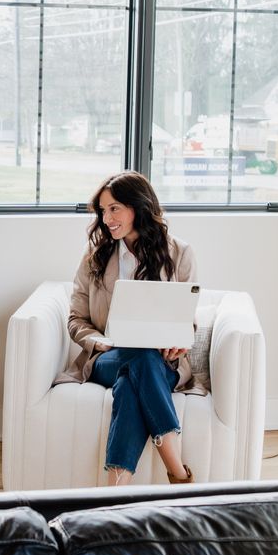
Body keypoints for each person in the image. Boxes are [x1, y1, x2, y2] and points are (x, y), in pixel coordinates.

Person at [58, 171, 199, 486]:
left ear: (139, 207)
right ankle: (178, 475)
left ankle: (114, 494)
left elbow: (186, 319)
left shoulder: (180, 252)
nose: (107, 218)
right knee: (138, 359)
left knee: (132, 381)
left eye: (114, 208)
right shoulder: (95, 256)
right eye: (103, 210)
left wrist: (179, 342)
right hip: (109, 357)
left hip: (161, 360)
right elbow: (75, 319)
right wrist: (98, 340)